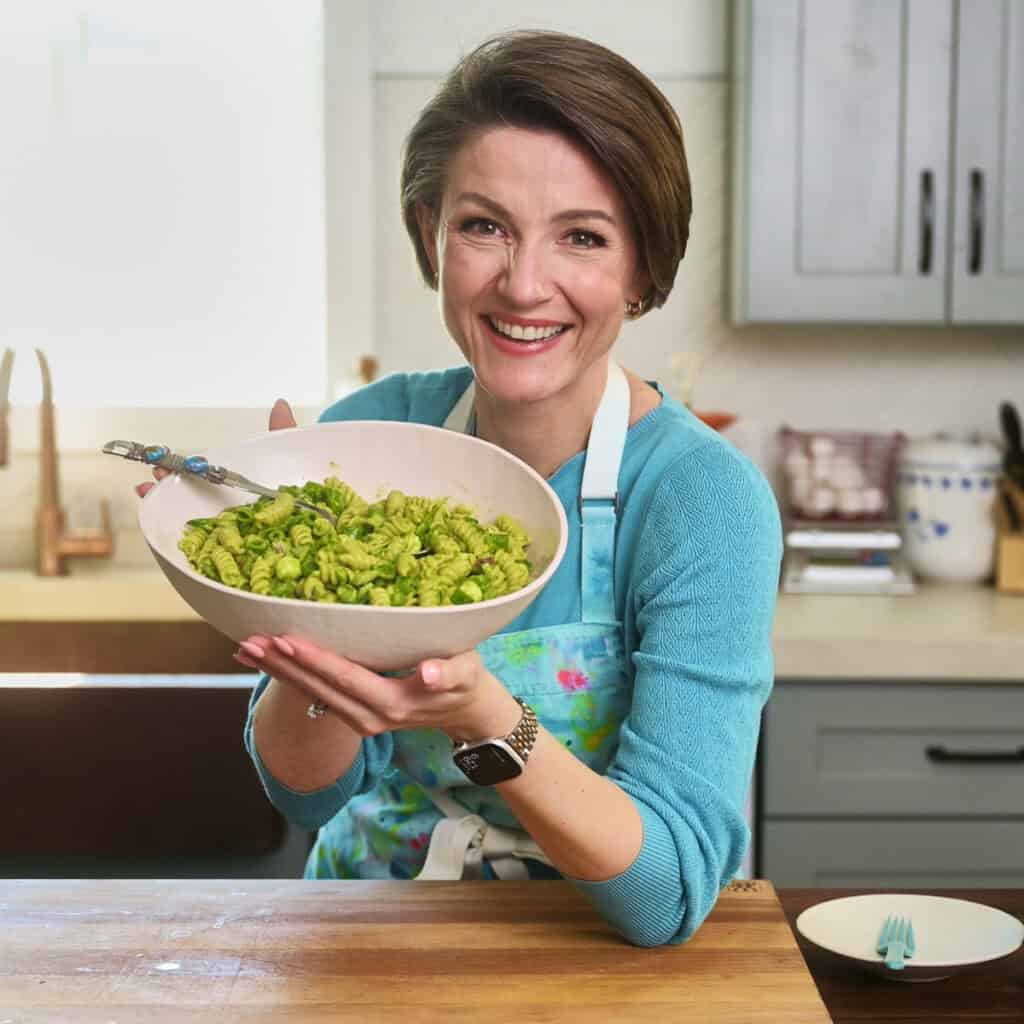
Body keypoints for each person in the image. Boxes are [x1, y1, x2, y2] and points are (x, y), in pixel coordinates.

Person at [139, 30, 781, 947]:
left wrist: (484, 715)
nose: (524, 285)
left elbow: (669, 896)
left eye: (584, 238)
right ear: (429, 233)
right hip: (366, 947)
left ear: (642, 270)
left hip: (594, 966)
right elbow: (304, 793)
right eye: (484, 226)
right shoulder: (367, 438)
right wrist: (287, 603)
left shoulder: (700, 501)